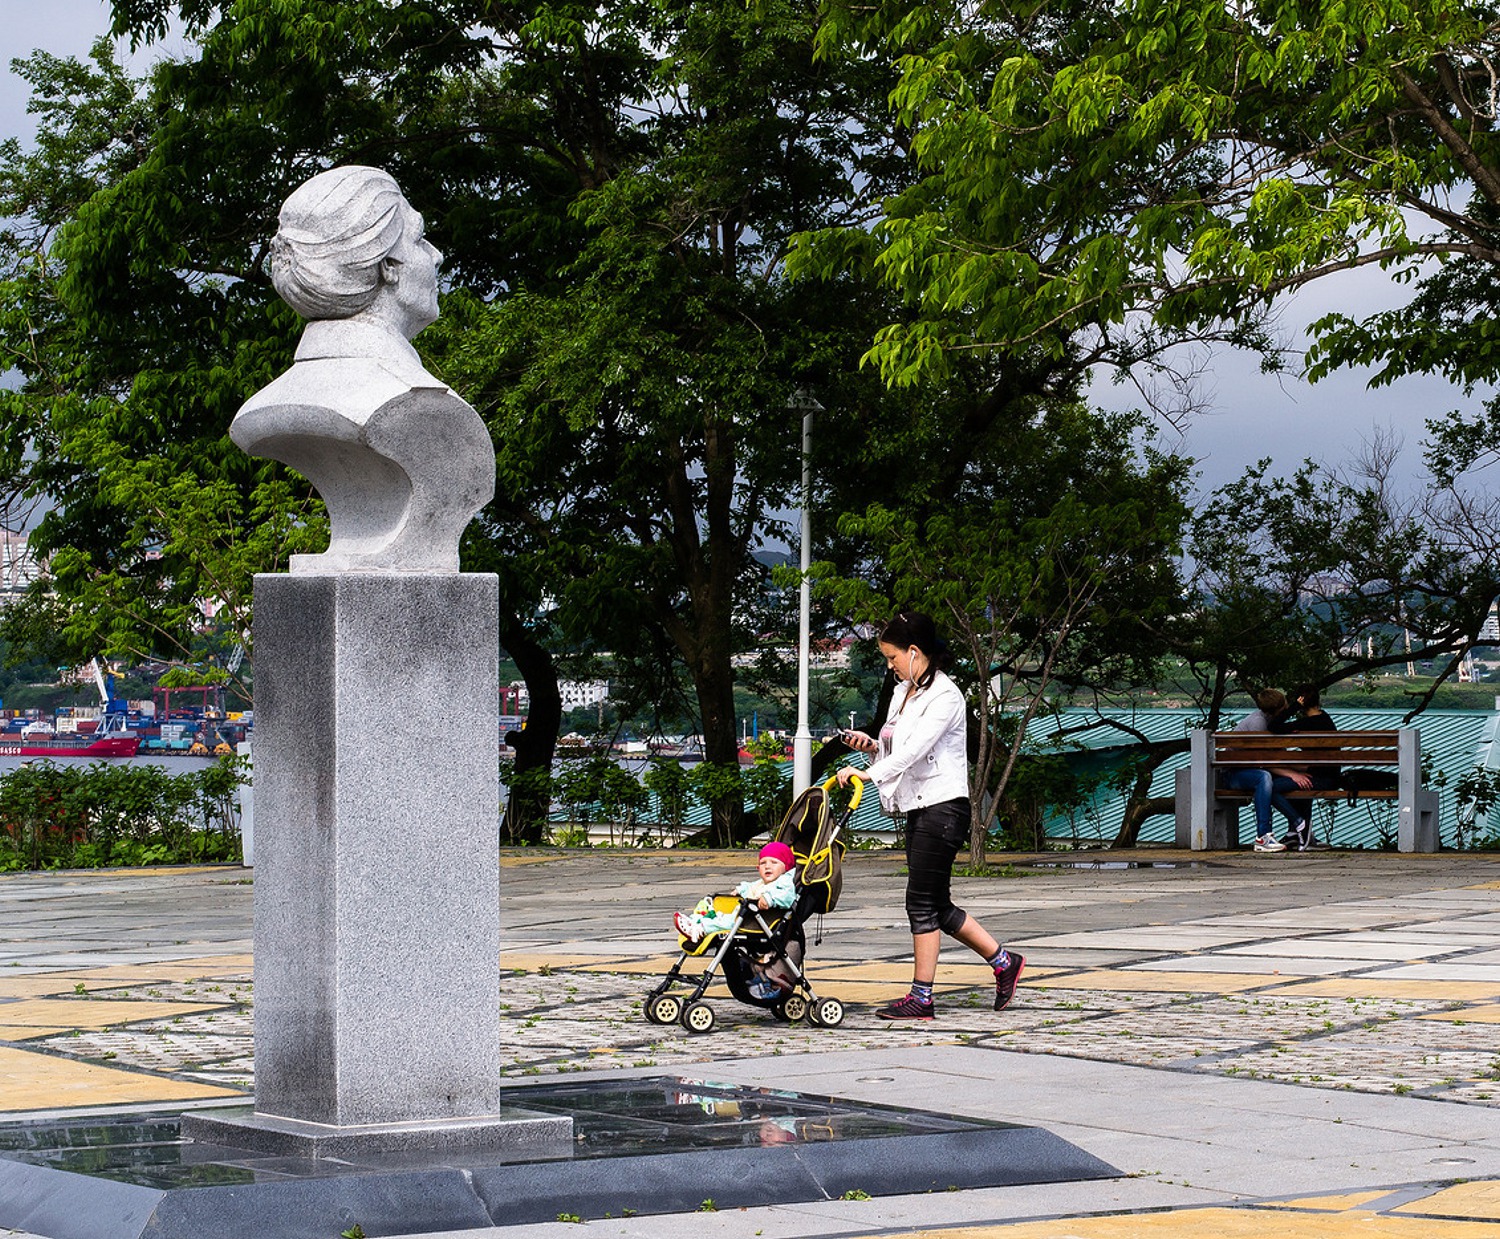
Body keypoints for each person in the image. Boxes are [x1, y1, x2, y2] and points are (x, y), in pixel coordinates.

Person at [836, 611, 1024, 1021]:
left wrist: (867, 776)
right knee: (936, 903)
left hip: (943, 809)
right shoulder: (904, 691)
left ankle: (922, 997)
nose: (890, 665)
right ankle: (1004, 962)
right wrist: (870, 747)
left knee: (919, 902)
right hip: (917, 807)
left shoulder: (946, 697)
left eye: (892, 657)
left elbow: (914, 752)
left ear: (915, 652)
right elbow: (894, 746)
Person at [1221, 688, 1301, 853]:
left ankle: (1298, 828)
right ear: (1278, 709)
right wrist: (1292, 773)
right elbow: (1262, 762)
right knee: (1263, 777)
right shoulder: (1259, 723)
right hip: (1233, 774)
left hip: (1251, 770)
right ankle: (1263, 836)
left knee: (1291, 782)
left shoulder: (1270, 722)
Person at [673, 841, 798, 945]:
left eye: (774, 862)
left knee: (723, 922)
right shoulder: (762, 883)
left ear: (786, 867)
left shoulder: (784, 882)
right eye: (762, 863)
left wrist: (769, 899)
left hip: (756, 922)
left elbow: (786, 896)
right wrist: (740, 890)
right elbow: (751, 886)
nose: (767, 866)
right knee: (720, 916)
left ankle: (701, 928)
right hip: (743, 916)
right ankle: (696, 921)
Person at [1269, 685, 1337, 850]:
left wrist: (1294, 707)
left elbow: (1274, 726)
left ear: (1301, 701)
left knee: (1268, 788)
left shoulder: (1306, 723)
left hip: (1319, 779)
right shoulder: (1325, 719)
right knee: (1298, 785)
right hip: (1329, 776)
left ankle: (1300, 826)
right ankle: (1296, 834)